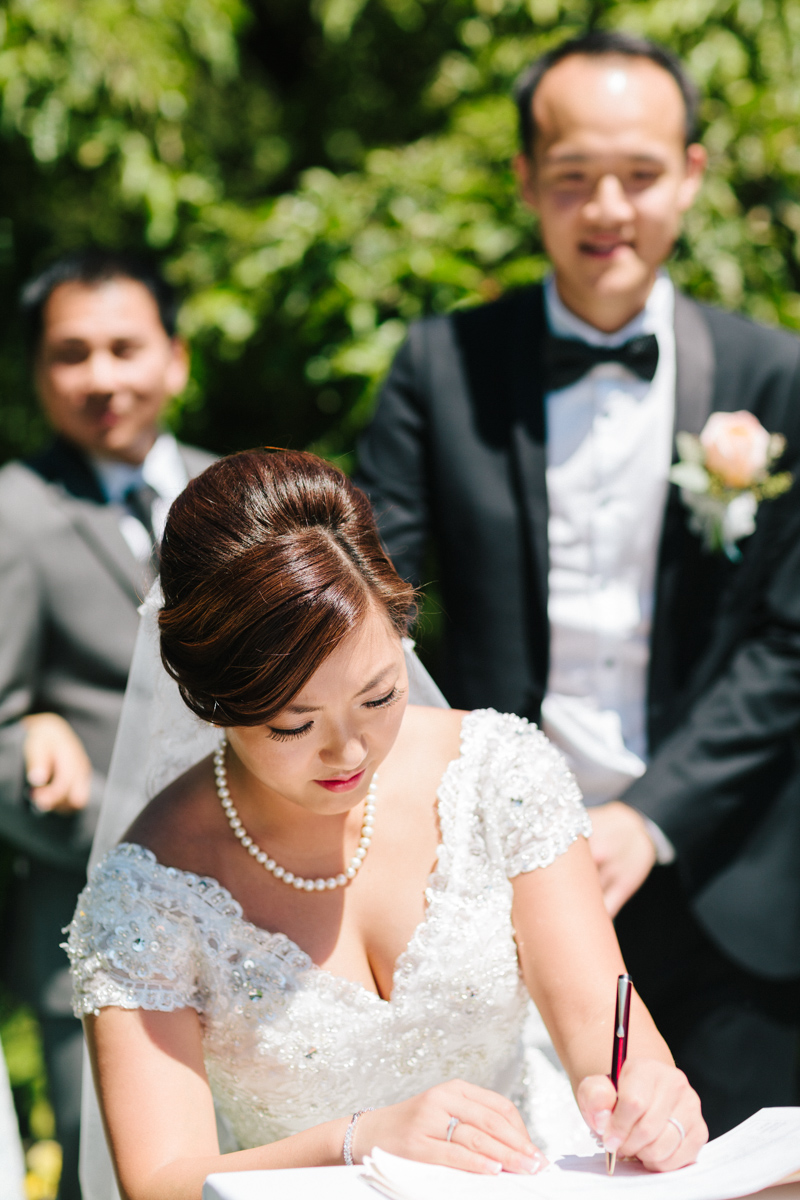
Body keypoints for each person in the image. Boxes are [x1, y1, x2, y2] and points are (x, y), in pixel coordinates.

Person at [355, 30, 800, 1138]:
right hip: (491, 894)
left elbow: (788, 640)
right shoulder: (438, 370)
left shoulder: (771, 373)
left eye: (640, 175)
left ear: (690, 174)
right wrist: (500, 821)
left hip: (724, 886)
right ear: (524, 181)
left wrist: (647, 820)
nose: (606, 207)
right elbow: (375, 611)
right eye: (571, 178)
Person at [65, 448, 705, 1200]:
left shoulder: (499, 774)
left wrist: (652, 1095)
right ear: (214, 702)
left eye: (378, 697)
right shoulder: (148, 893)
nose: (349, 750)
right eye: (293, 724)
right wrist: (357, 1143)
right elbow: (160, 1181)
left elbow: (607, 1029)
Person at [0, 249, 215, 1199]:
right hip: (101, 933)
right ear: (40, 375)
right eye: (70, 354)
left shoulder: (236, 491)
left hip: (279, 926)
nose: (102, 378)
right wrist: (27, 741)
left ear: (173, 357)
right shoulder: (12, 511)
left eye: (125, 348)